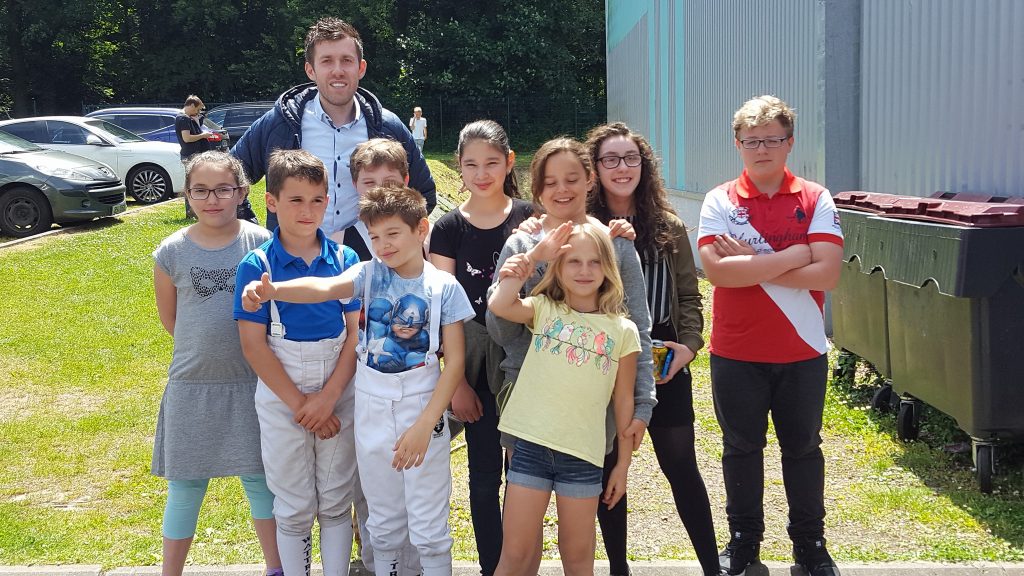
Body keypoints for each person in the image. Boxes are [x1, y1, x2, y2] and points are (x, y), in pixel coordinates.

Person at [240, 184, 475, 576]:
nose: (383, 245)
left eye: (393, 233)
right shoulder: (368, 274)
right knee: (382, 521)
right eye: (375, 236)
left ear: (421, 229)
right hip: (371, 406)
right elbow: (324, 288)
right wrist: (273, 290)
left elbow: (454, 363)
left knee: (429, 524)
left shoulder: (443, 287)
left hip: (421, 405)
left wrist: (425, 425)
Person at [485, 137, 656, 574]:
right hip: (531, 413)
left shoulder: (615, 243)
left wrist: (642, 405)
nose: (562, 189)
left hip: (588, 417)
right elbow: (500, 325)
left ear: (590, 180)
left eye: (572, 179)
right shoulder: (522, 244)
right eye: (550, 182)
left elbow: (637, 328)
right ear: (537, 189)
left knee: (579, 548)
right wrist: (532, 258)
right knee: (521, 549)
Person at [696, 95, 844, 576]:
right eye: (752, 141)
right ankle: (744, 544)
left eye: (772, 140)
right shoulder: (720, 200)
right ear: (737, 144)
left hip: (802, 349)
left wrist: (753, 262)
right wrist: (794, 255)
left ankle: (810, 545)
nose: (762, 149)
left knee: (803, 449)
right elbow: (718, 273)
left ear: (790, 143)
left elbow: (828, 274)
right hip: (737, 350)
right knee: (741, 449)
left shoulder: (816, 198)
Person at [586, 122, 722, 576]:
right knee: (608, 466)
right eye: (610, 159)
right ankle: (618, 568)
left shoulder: (668, 226)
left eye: (631, 158)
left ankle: (711, 567)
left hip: (661, 354)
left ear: (643, 165)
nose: (622, 168)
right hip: (603, 355)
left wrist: (689, 347)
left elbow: (689, 296)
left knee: (681, 465)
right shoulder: (586, 228)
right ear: (595, 168)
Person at [151, 151, 281, 576]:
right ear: (186, 195)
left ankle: (276, 568)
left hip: (253, 384)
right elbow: (172, 321)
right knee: (185, 487)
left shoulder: (262, 244)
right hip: (193, 386)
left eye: (223, 189)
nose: (212, 200)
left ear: (242, 193)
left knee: (261, 482)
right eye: (201, 191)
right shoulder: (171, 252)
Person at [233, 149, 363, 576]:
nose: (307, 211)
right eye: (295, 200)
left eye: (317, 200)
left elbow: (354, 337)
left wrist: (328, 399)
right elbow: (254, 346)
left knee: (336, 498)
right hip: (281, 397)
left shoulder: (344, 261)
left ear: (328, 201)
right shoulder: (257, 266)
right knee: (293, 503)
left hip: (338, 392)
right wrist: (302, 406)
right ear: (271, 202)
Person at [428, 120, 534, 576]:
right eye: (471, 164)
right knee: (484, 475)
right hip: (469, 360)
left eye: (492, 162)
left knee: (524, 476)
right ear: (459, 167)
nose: (482, 173)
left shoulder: (530, 218)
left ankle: (520, 564)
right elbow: (442, 311)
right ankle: (493, 566)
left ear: (509, 162)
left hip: (524, 360)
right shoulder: (448, 227)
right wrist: (455, 384)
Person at [231, 17, 435, 233]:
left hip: (365, 254)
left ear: (361, 68)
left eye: (346, 60)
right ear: (310, 70)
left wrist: (372, 237)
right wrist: (255, 235)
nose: (338, 70)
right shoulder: (278, 123)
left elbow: (425, 195)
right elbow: (225, 183)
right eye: (327, 61)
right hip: (292, 255)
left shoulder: (388, 128)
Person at [175, 96, 214, 219]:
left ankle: (196, 211)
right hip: (190, 156)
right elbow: (187, 138)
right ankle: (191, 212)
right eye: (197, 109)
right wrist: (203, 135)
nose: (198, 112)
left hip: (195, 155)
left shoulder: (189, 118)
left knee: (199, 183)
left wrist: (197, 121)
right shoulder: (183, 118)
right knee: (193, 184)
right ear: (191, 105)